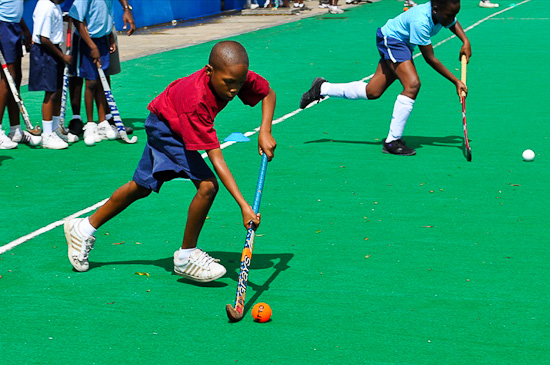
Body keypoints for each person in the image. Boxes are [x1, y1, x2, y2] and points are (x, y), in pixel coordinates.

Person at [64, 41, 277, 283]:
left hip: (169, 117)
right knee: (208, 186)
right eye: (228, 83)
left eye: (239, 83)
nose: (234, 90)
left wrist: (265, 130)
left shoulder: (235, 73)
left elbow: (267, 93)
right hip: (166, 128)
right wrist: (243, 205)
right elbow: (216, 156)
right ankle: (186, 257)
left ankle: (83, 228)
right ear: (209, 71)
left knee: (141, 187)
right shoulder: (197, 102)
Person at [300, 0, 471, 156]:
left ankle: (322, 88)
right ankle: (392, 141)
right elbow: (430, 58)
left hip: (401, 43)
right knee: (412, 84)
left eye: (455, 15)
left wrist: (465, 41)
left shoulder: (442, 12)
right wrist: (456, 81)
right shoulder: (421, 21)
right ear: (435, 9)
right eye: (449, 15)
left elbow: (453, 24)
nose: (452, 19)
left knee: (373, 91)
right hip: (392, 40)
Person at [68, 0, 135, 137]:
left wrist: (110, 35)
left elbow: (107, 15)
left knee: (101, 80)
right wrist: (92, 46)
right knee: (90, 82)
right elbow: (76, 19)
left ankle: (103, 121)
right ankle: (90, 124)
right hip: (87, 41)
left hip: (103, 39)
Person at [28, 0, 74, 149]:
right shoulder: (46, 7)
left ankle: (55, 130)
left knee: (58, 91)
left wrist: (64, 17)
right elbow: (44, 39)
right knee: (51, 93)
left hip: (54, 50)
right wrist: (62, 56)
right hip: (45, 53)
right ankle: (47, 135)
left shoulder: (55, 5)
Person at [0, 0, 41, 149]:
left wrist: (24, 28)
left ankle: (15, 130)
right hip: (3, 26)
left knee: (15, 79)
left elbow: (14, 8)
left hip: (15, 25)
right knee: (7, 78)